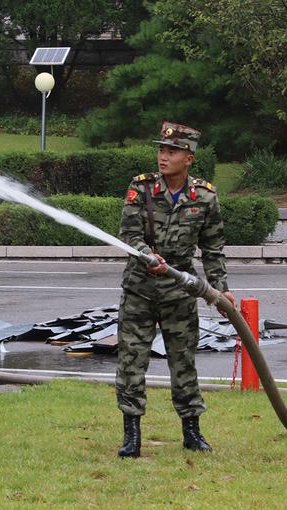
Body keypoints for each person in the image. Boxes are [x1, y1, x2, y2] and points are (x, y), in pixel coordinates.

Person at [115, 122, 236, 458]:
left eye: (172, 151)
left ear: (189, 158)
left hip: (180, 293)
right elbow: (129, 235)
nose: (163, 156)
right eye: (161, 150)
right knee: (131, 362)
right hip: (139, 289)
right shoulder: (141, 188)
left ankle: (192, 432)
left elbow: (212, 249)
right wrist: (146, 253)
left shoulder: (206, 197)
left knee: (183, 362)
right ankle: (132, 435)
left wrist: (221, 290)